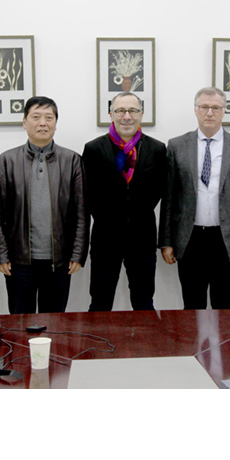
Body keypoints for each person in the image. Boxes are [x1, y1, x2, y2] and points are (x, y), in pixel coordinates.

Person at [160, 87, 230, 310]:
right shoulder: (177, 146)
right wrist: (166, 242)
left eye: (215, 107)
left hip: (227, 238)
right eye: (204, 107)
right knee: (192, 306)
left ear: (224, 111)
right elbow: (169, 198)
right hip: (189, 237)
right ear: (195, 110)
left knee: (223, 305)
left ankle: (221, 336)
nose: (209, 113)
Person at [0, 96, 88, 313]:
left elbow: (81, 212)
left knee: (54, 322)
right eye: (36, 117)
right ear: (25, 122)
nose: (43, 123)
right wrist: (1, 255)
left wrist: (78, 253)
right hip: (19, 261)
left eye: (48, 118)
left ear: (55, 123)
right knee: (20, 321)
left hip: (59, 261)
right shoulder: (7, 160)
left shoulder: (71, 160)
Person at [82, 92, 166, 311]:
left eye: (132, 111)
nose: (126, 116)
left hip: (143, 238)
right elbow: (88, 195)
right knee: (100, 302)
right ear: (111, 114)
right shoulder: (93, 149)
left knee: (144, 302)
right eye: (120, 111)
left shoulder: (157, 150)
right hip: (105, 238)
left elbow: (159, 190)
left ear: (141, 114)